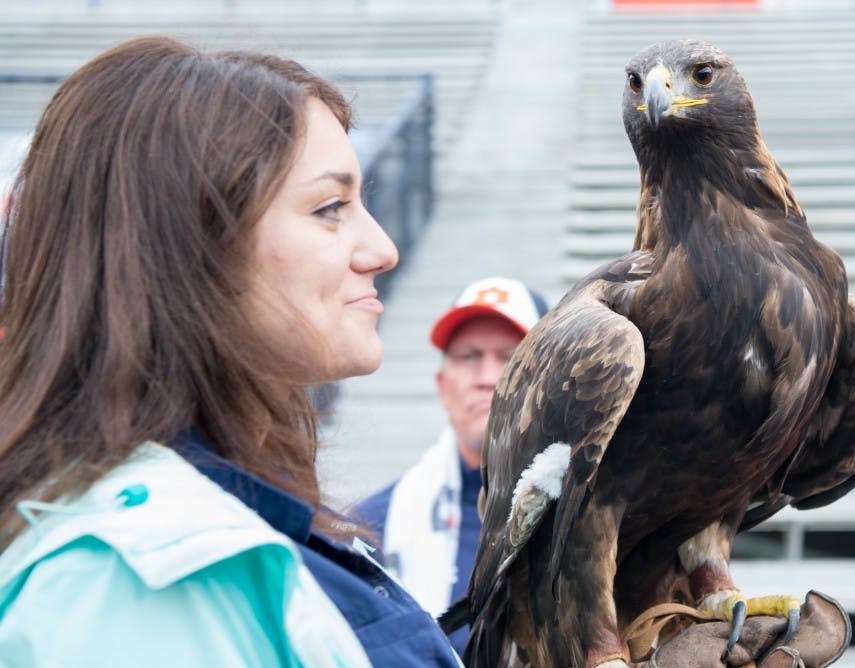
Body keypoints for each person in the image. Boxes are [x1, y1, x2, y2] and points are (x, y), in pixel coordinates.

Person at [0, 36, 459, 667]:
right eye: (330, 208)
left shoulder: (225, 520)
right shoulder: (128, 578)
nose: (381, 249)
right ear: (188, 246)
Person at [355, 276, 548, 655]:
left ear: (550, 379)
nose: (487, 378)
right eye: (468, 356)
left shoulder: (602, 516)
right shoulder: (373, 529)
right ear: (443, 385)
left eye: (510, 357)